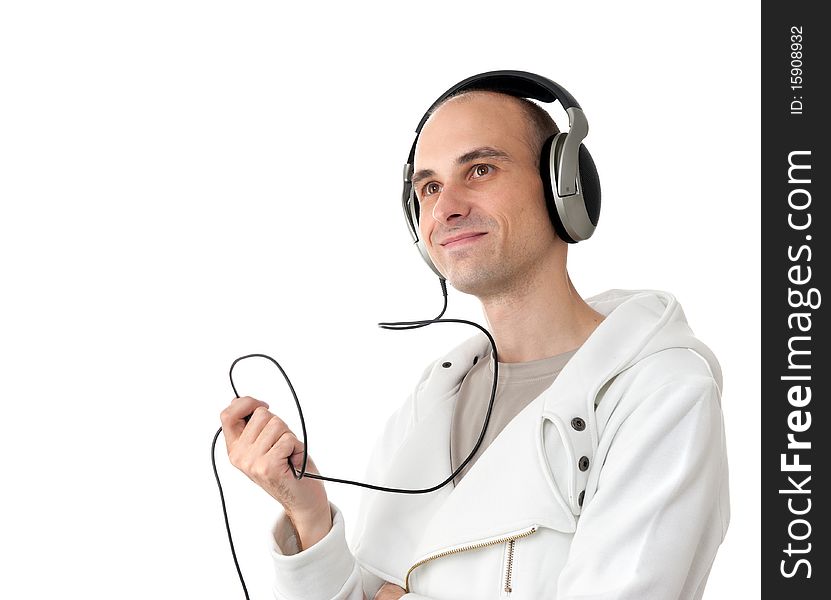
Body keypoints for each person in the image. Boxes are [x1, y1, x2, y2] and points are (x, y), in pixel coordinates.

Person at [219, 71, 730, 599]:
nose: (446, 208)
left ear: (564, 186)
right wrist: (309, 514)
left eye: (480, 169)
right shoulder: (438, 394)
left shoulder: (662, 392)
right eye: (430, 187)